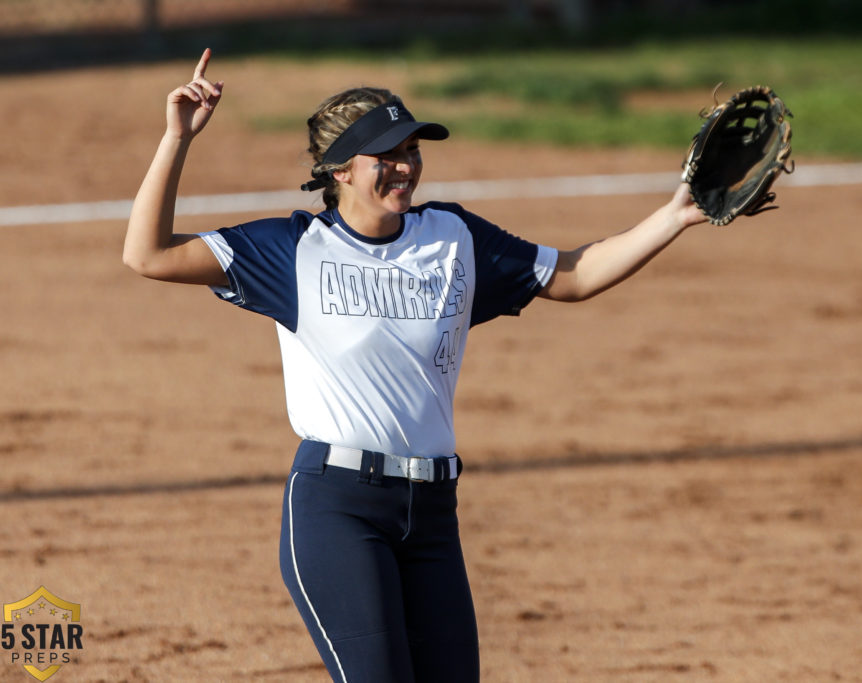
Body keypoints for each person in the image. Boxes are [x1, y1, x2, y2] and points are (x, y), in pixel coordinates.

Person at [123, 49, 707, 683]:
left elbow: (573, 275)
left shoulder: (453, 239)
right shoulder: (293, 250)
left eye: (413, 150)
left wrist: (675, 215)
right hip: (337, 509)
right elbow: (148, 253)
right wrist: (176, 139)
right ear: (340, 169)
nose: (406, 167)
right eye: (388, 155)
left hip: (432, 515)